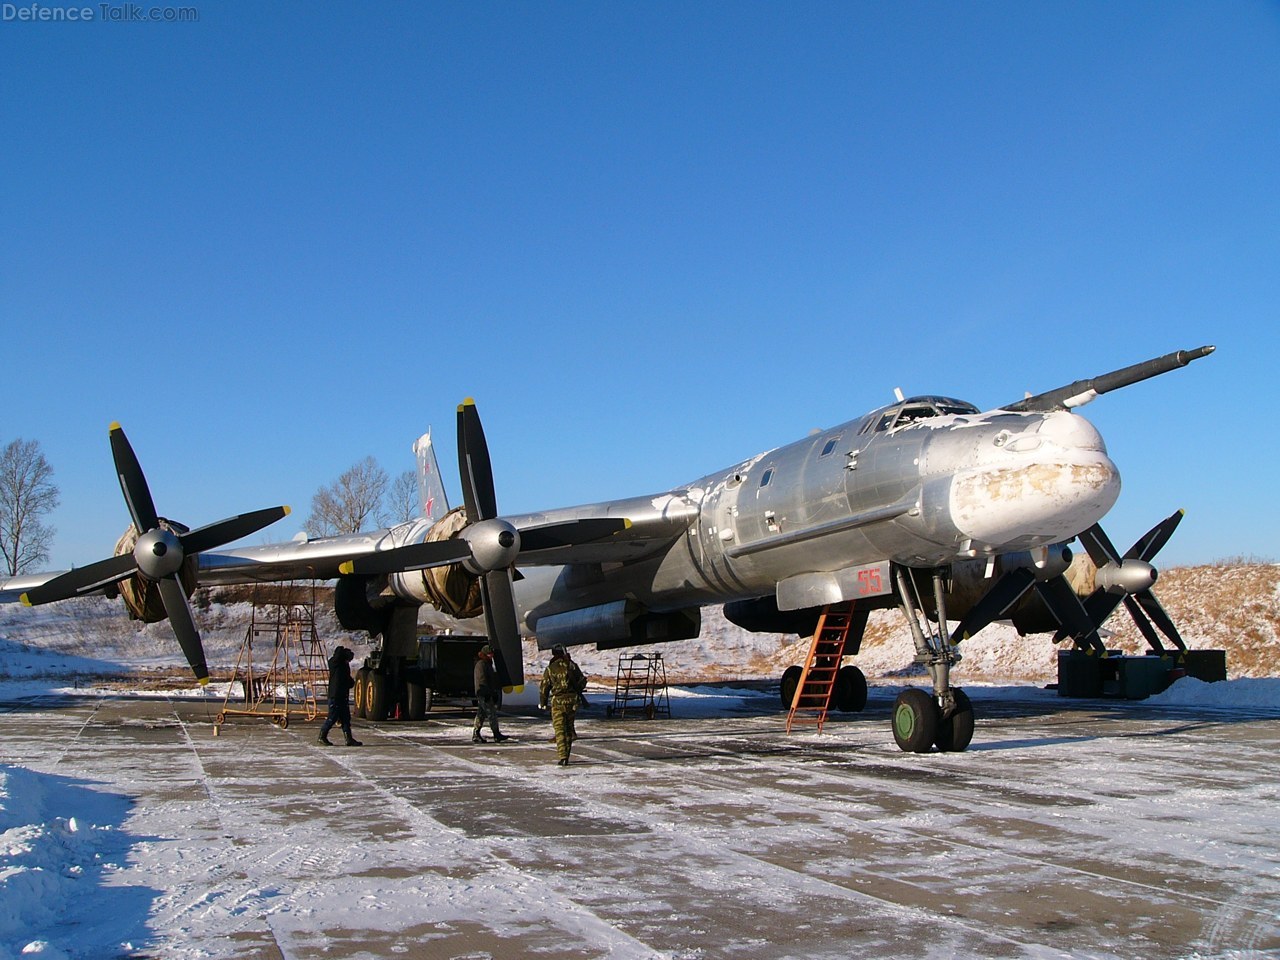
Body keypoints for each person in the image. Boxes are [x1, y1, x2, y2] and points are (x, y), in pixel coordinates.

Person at [539, 644, 587, 765]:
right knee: (569, 728)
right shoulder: (571, 665)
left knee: (560, 730)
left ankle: (563, 757)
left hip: (558, 702)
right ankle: (568, 755)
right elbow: (582, 681)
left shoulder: (551, 668)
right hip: (572, 702)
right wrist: (575, 691)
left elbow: (544, 687)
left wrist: (543, 702)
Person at [318, 646, 362, 747]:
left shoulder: (344, 665)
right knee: (332, 717)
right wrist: (341, 651)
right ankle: (322, 736)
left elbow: (345, 678)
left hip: (342, 695)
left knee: (346, 718)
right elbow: (337, 656)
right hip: (335, 696)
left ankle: (349, 739)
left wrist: (350, 682)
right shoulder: (336, 663)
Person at [471, 645, 509, 743]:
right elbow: (482, 679)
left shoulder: (486, 663)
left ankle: (476, 733)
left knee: (481, 714)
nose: (491, 655)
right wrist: (486, 693)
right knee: (491, 714)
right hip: (483, 693)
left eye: (491, 654)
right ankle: (496, 734)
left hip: (485, 692)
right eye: (489, 654)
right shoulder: (481, 664)